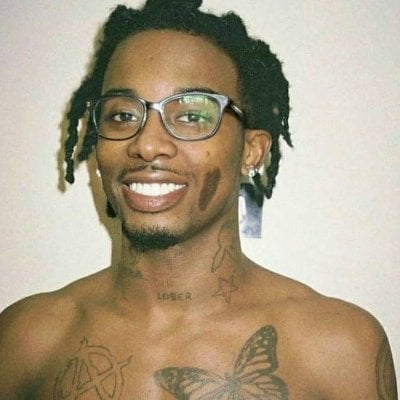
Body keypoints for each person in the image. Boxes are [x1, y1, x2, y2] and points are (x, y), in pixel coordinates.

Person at [0, 0, 397, 399]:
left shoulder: (339, 349)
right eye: (123, 115)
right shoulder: (26, 339)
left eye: (191, 116)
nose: (147, 144)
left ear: (251, 151)